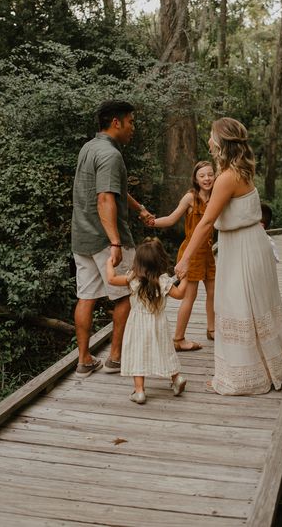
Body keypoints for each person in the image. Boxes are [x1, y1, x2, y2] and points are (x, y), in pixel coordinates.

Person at [175, 118, 282, 395]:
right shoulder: (237, 170)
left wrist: (184, 260)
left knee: (238, 306)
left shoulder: (227, 178)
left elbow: (206, 222)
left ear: (221, 142)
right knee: (249, 307)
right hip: (248, 242)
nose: (208, 141)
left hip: (242, 248)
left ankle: (243, 377)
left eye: (211, 137)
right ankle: (266, 365)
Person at [71, 100, 153, 378]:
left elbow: (113, 190)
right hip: (106, 239)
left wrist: (139, 208)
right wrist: (115, 242)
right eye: (131, 121)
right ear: (116, 122)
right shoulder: (110, 155)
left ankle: (84, 360)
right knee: (126, 294)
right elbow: (105, 197)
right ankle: (115, 357)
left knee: (86, 297)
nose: (133, 127)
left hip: (82, 237)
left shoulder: (89, 148)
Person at [106, 238, 187, 404]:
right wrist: (185, 278)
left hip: (137, 324)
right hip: (159, 323)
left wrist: (109, 263)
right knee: (165, 350)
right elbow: (180, 295)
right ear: (160, 261)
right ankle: (176, 378)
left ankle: (140, 391)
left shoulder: (133, 279)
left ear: (139, 262)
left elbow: (111, 279)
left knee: (138, 353)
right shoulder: (163, 280)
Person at [148, 161, 216, 351]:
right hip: (191, 253)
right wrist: (153, 222)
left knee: (213, 291)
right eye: (202, 175)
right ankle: (178, 339)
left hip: (208, 252)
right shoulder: (190, 198)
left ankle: (212, 329)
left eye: (210, 174)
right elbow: (171, 219)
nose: (207, 179)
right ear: (195, 178)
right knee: (189, 295)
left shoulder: (217, 196)